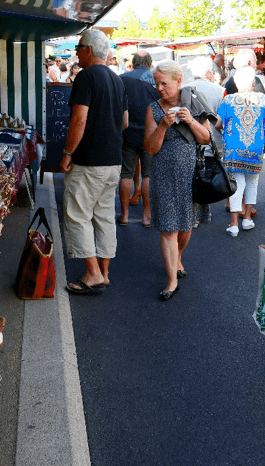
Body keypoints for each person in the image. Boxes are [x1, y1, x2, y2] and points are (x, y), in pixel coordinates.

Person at [61, 29, 128, 295]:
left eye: (78, 47)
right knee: (104, 217)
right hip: (114, 160)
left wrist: (67, 153)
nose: (76, 53)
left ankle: (92, 273)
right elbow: (123, 122)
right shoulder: (117, 80)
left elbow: (79, 119)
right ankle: (104, 272)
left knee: (77, 215)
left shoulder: (86, 77)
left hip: (89, 161)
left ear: (89, 50)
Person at [144, 60, 212, 300]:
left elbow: (206, 139)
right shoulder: (154, 109)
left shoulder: (193, 102)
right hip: (163, 176)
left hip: (190, 175)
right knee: (168, 229)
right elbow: (150, 149)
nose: (160, 88)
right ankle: (171, 280)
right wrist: (163, 125)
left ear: (178, 80)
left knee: (186, 225)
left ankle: (178, 256)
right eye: (157, 84)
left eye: (164, 83)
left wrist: (190, 120)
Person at [217, 68, 265, 236]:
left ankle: (234, 223)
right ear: (252, 84)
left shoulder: (228, 100)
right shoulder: (262, 99)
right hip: (254, 148)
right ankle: (247, 218)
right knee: (252, 182)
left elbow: (218, 124)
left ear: (235, 84)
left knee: (237, 183)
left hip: (234, 148)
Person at [118, 50, 159, 227]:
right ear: (149, 63)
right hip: (151, 132)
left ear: (133, 62)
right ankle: (147, 215)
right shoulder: (157, 79)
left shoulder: (122, 78)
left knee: (126, 173)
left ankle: (125, 215)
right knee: (148, 174)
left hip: (127, 132)